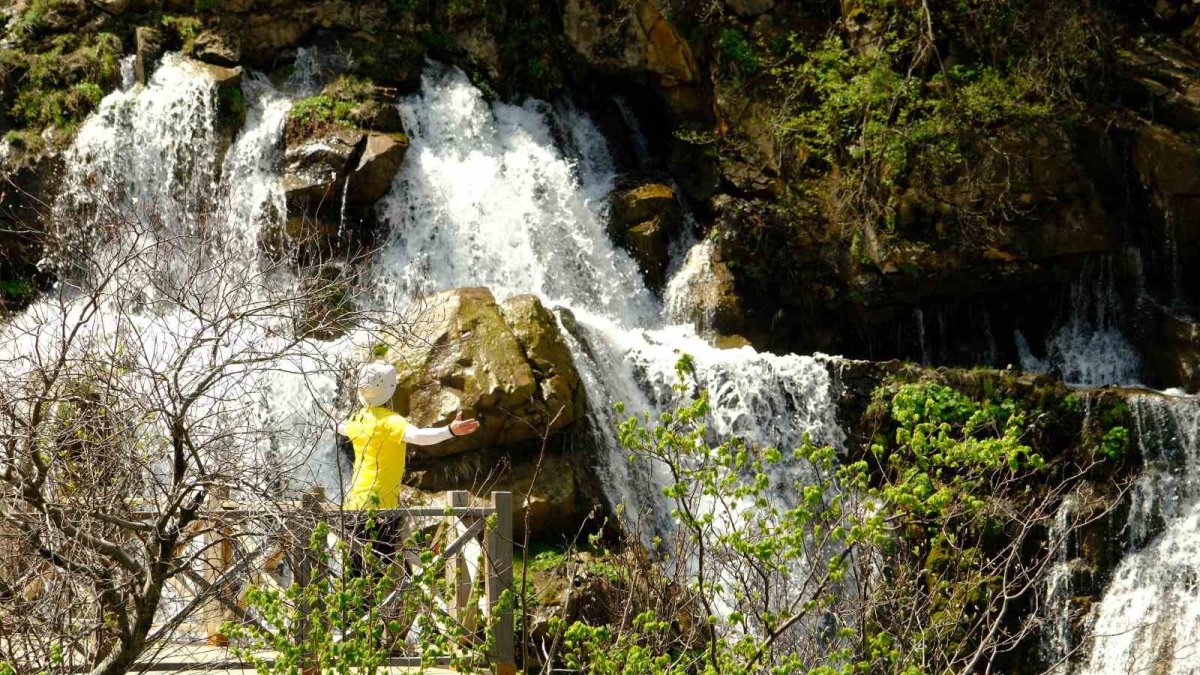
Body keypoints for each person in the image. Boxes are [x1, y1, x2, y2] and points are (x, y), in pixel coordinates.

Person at [337, 361, 480, 574]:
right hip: (380, 508)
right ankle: (390, 605)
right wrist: (450, 430)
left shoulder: (357, 418)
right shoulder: (390, 421)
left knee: (357, 573)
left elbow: (339, 426)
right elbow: (419, 437)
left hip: (353, 505)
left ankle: (366, 607)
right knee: (380, 574)